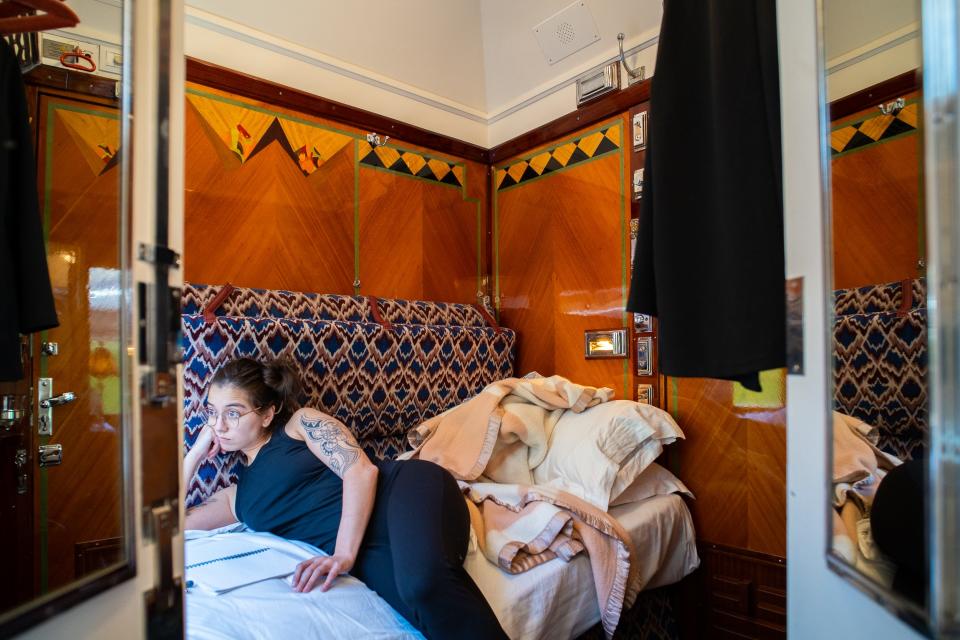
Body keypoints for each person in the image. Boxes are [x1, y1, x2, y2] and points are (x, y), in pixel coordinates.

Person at [183, 357, 507, 640]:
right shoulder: (237, 498)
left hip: (405, 494)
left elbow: (361, 472)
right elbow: (172, 527)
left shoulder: (300, 425)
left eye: (233, 413)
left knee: (423, 583)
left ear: (267, 414)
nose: (218, 425)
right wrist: (194, 457)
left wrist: (342, 555)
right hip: (371, 549)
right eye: (212, 412)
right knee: (422, 613)